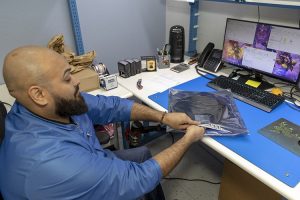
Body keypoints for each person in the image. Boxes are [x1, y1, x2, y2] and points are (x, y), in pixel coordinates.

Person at [0, 46, 205, 200]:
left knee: (142, 154)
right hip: (76, 180)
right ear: (38, 94)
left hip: (91, 159)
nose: (76, 81)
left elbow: (111, 106)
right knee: (140, 178)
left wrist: (163, 117)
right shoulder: (50, 163)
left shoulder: (56, 104)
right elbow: (137, 180)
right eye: (66, 78)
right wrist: (187, 140)